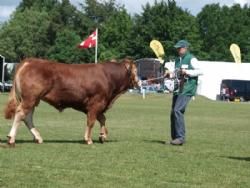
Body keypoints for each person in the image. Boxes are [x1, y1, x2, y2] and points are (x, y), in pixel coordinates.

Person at [165, 40, 203, 145]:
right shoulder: (177, 60)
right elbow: (177, 74)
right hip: (178, 90)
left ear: (185, 48)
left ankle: (180, 138)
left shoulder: (191, 58)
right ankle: (175, 138)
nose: (178, 50)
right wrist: (170, 75)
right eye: (177, 48)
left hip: (187, 89)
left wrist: (187, 72)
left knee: (177, 110)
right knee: (173, 113)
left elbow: (200, 71)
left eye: (180, 48)